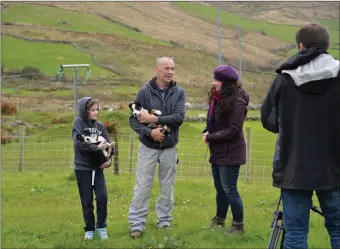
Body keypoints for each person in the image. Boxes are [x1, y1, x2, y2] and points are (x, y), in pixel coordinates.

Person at [261, 23, 340, 249]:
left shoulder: (283, 80)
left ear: (301, 46)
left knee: (295, 233)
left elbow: (268, 120)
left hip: (294, 168)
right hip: (334, 168)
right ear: (327, 46)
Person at [128, 56, 185, 238]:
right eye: (166, 68)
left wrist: (153, 119)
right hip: (148, 148)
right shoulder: (144, 92)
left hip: (169, 148)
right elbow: (133, 120)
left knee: (167, 186)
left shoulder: (179, 92)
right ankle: (136, 224)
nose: (170, 72)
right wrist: (150, 132)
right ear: (156, 69)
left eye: (172, 69)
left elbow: (178, 118)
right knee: (143, 186)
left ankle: (164, 221)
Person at [202, 65, 249, 234]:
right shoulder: (218, 98)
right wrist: (206, 131)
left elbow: (233, 130)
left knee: (230, 189)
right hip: (218, 150)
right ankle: (219, 220)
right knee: (220, 188)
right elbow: (215, 123)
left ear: (226, 83)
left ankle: (238, 226)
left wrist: (210, 137)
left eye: (217, 80)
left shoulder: (237, 101)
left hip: (231, 151)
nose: (213, 83)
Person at [72, 97, 112, 240]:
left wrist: (108, 161)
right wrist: (96, 147)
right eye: (93, 110)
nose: (96, 113)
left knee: (102, 197)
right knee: (87, 200)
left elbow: (108, 146)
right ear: (85, 111)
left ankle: (101, 227)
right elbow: (79, 144)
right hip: (83, 169)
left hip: (98, 169)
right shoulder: (79, 123)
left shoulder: (100, 126)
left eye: (97, 110)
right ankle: (89, 229)